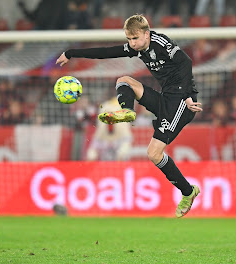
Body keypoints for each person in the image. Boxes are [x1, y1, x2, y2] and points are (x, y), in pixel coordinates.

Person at [56, 14, 203, 218]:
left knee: (153, 153)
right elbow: (106, 52)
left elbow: (185, 63)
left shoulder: (161, 42)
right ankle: (127, 111)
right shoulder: (138, 48)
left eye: (135, 38)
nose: (131, 43)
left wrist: (187, 96)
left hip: (181, 103)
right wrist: (71, 52)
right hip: (165, 99)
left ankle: (188, 192)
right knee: (123, 80)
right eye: (129, 39)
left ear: (146, 34)